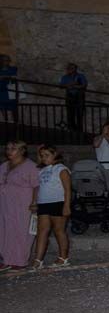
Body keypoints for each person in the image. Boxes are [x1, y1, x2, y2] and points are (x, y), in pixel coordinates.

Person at [0, 141, 38, 272]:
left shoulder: (31, 166)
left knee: (21, 230)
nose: (9, 151)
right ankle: (7, 259)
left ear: (22, 150)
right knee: (5, 230)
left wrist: (34, 202)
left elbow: (36, 186)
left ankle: (20, 260)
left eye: (13, 148)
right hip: (5, 203)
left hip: (22, 203)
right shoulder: (5, 165)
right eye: (8, 148)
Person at [33, 145, 72, 269]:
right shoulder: (42, 170)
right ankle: (38, 260)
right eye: (42, 156)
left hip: (58, 202)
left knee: (59, 231)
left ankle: (63, 257)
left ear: (55, 155)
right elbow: (38, 187)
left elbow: (67, 189)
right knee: (42, 232)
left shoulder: (61, 169)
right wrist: (34, 202)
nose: (44, 158)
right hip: (43, 203)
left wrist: (66, 205)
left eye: (47, 155)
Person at [59, 63, 87, 133]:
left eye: (72, 68)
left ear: (75, 69)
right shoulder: (65, 77)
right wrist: (71, 85)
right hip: (70, 96)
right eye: (69, 68)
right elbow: (61, 85)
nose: (70, 70)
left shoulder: (80, 76)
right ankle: (72, 130)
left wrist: (73, 86)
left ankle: (79, 131)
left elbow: (84, 85)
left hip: (79, 96)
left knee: (79, 114)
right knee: (70, 114)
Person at [0, 54, 17, 124]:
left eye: (8, 60)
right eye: (5, 60)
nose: (7, 62)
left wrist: (4, 77)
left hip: (10, 88)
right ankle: (6, 121)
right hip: (1, 89)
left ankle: (15, 122)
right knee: (2, 106)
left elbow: (14, 77)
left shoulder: (13, 68)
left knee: (13, 106)